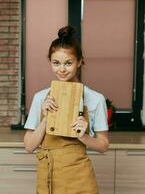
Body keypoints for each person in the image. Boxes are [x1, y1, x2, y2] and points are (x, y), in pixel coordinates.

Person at [23, 26, 109, 194]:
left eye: (68, 63)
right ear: (50, 62)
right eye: (56, 63)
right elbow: (29, 146)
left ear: (79, 62)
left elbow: (103, 146)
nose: (61, 69)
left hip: (79, 176)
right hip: (48, 174)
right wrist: (46, 119)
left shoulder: (95, 99)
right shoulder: (41, 98)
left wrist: (83, 136)